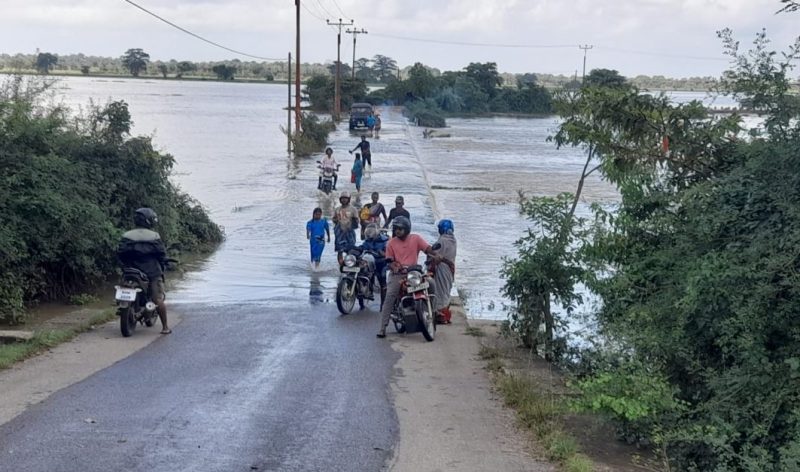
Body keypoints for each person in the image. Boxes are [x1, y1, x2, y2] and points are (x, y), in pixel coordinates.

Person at [377, 216, 440, 338]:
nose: (397, 231)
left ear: (407, 229)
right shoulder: (391, 243)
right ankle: (382, 327)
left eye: (400, 229)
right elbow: (389, 261)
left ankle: (432, 311)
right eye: (396, 229)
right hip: (398, 274)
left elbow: (428, 249)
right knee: (390, 295)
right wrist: (394, 266)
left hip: (414, 272)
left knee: (431, 283)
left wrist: (436, 255)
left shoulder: (416, 238)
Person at [117, 208, 171, 334]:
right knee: (158, 299)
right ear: (149, 221)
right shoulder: (154, 236)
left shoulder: (127, 235)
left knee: (123, 285)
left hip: (130, 270)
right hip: (151, 272)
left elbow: (120, 253)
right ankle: (165, 327)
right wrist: (165, 262)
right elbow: (161, 254)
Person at [431, 219, 457, 324]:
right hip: (450, 268)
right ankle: (444, 313)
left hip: (442, 268)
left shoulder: (442, 241)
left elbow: (436, 255)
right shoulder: (453, 240)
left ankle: (440, 313)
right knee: (446, 290)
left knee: (440, 291)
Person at [358, 223, 389, 309]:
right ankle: (365, 292)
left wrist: (383, 253)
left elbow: (389, 253)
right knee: (361, 273)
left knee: (382, 281)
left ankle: (383, 305)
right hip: (370, 262)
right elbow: (363, 247)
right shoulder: (368, 241)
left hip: (381, 263)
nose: (369, 234)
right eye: (368, 232)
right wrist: (354, 249)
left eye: (371, 232)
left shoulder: (385, 241)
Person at [332, 191, 360, 266]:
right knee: (339, 250)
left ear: (349, 199)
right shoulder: (337, 209)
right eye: (342, 198)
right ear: (340, 199)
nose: (344, 200)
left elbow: (357, 221)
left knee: (350, 250)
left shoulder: (353, 209)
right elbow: (334, 219)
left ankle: (349, 264)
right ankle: (341, 265)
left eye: (346, 198)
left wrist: (355, 221)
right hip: (340, 233)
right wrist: (335, 220)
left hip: (349, 233)